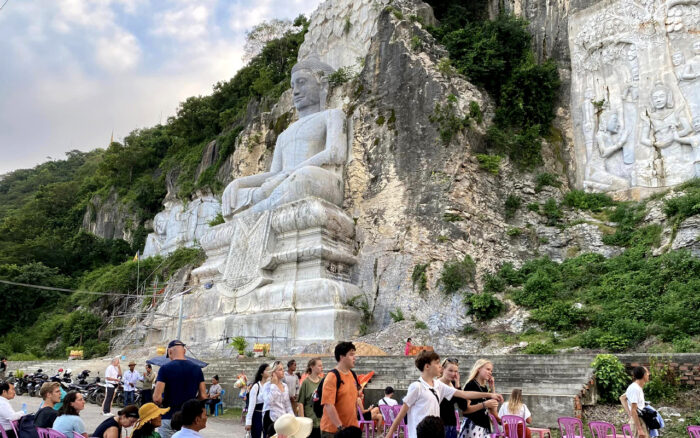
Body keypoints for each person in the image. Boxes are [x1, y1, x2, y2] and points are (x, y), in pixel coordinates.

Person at [386, 351, 503, 438]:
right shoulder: (417, 386)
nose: (440, 366)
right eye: (437, 363)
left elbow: (463, 394)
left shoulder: (438, 385)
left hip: (436, 432)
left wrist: (490, 395)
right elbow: (402, 412)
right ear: (427, 366)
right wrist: (391, 433)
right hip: (419, 434)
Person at [153, 340, 206, 438]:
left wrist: (163, 403)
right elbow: (203, 395)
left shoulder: (165, 368)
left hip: (168, 416)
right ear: (184, 351)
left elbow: (157, 397)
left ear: (169, 352)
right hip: (189, 420)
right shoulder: (197, 368)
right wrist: (191, 403)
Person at [320, 342, 361, 438]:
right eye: (351, 354)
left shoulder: (353, 375)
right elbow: (328, 404)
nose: (354, 357)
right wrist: (340, 427)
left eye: (354, 354)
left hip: (351, 429)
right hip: (334, 431)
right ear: (342, 357)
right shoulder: (332, 377)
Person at [459, 359, 500, 438]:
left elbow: (493, 409)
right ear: (479, 369)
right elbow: (466, 410)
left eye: (491, 371)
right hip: (473, 425)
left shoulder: (484, 387)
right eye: (488, 369)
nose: (490, 373)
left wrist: (492, 388)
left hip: (483, 426)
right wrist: (484, 404)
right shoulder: (471, 385)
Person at [262, 361, 294, 437]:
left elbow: (287, 405)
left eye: (283, 369)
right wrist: (274, 385)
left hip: (283, 421)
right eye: (280, 369)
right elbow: (268, 402)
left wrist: (293, 418)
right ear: (273, 372)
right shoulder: (267, 385)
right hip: (271, 419)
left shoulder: (285, 386)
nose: (283, 371)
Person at [439, 358, 468, 438]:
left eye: (455, 371)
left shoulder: (454, 384)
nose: (453, 374)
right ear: (443, 369)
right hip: (439, 426)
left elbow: (463, 406)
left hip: (452, 425)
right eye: (450, 370)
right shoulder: (437, 384)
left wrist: (458, 385)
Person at [297, 358, 323, 438]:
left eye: (321, 366)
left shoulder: (323, 381)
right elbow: (300, 402)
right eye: (319, 366)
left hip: (321, 421)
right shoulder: (306, 383)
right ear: (312, 367)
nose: (321, 367)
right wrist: (303, 420)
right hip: (310, 421)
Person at [246, 364, 271, 438]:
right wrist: (248, 422)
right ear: (261, 373)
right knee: (256, 435)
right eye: (267, 370)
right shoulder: (256, 386)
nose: (269, 371)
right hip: (257, 415)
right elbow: (251, 406)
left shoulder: (270, 386)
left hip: (267, 415)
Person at [624, 366, 650, 438]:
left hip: (640, 419)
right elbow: (634, 410)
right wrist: (639, 429)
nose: (648, 374)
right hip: (638, 421)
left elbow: (623, 398)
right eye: (647, 372)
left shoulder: (638, 387)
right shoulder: (634, 388)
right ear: (644, 375)